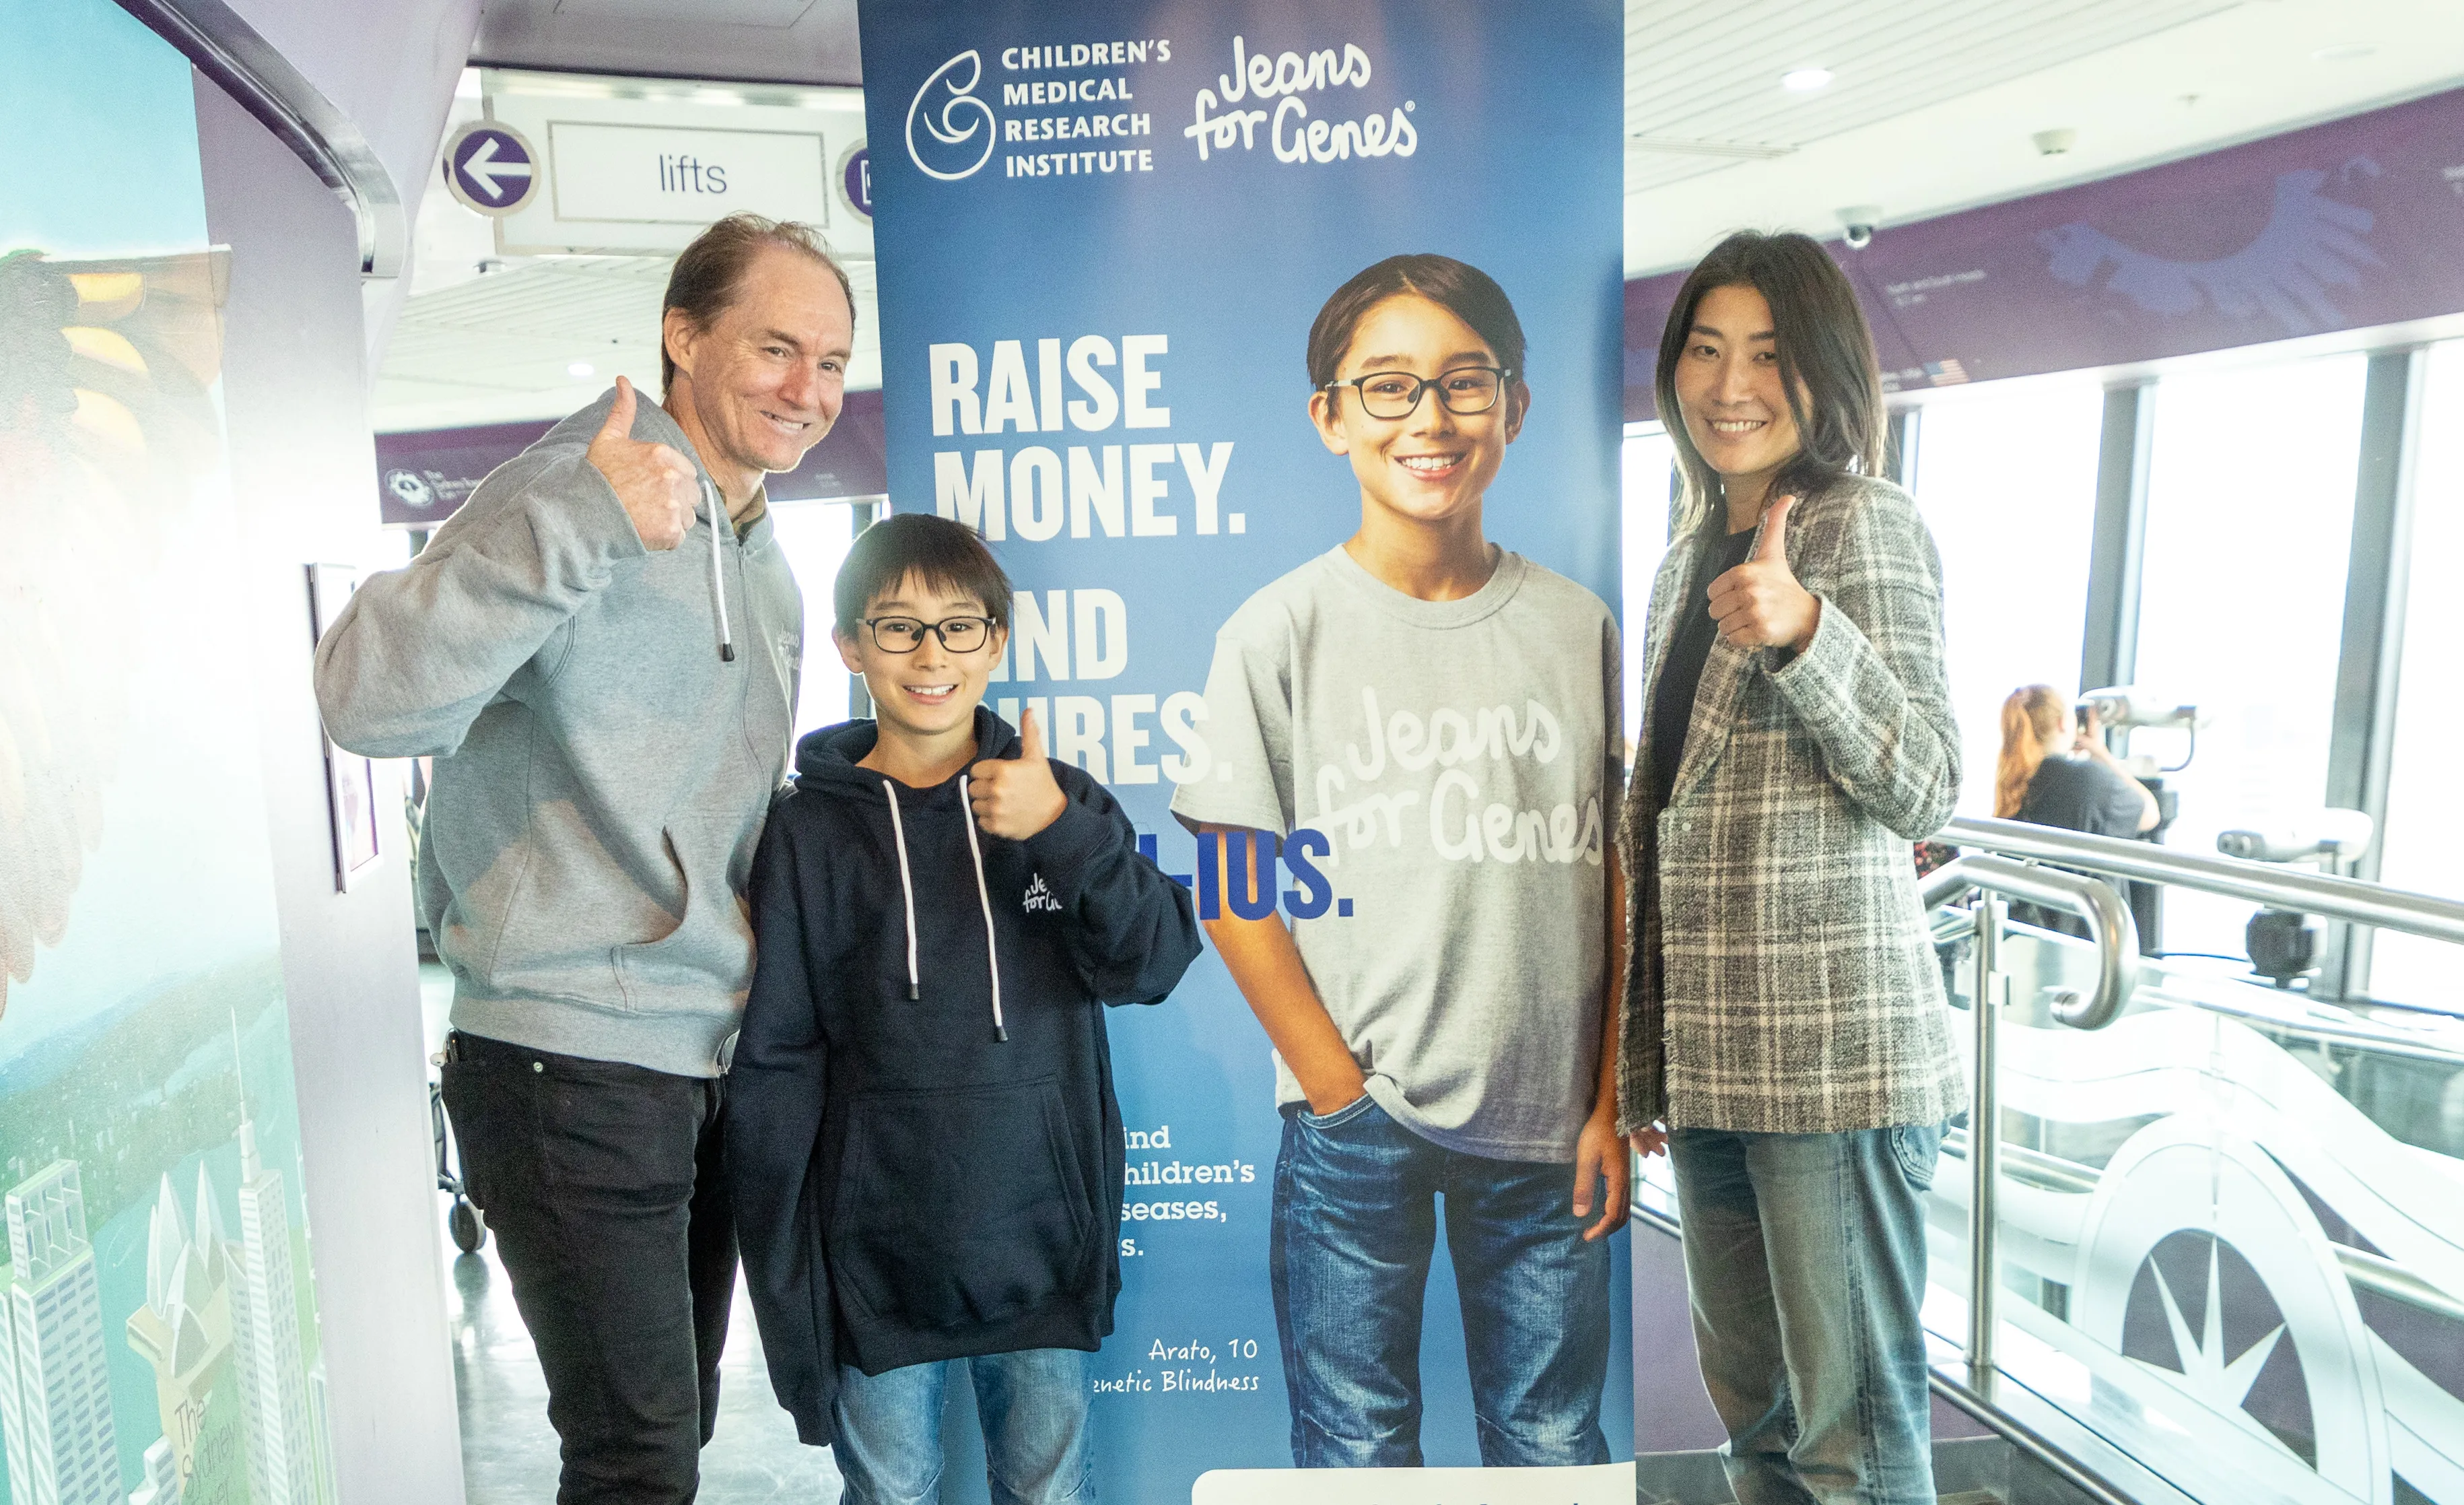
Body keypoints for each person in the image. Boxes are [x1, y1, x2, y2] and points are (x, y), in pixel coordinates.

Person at [314, 213, 853, 1504]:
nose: (809, 391)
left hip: (701, 1058)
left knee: (671, 1436)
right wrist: (578, 529)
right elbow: (362, 701)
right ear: (682, 336)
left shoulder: (762, 557)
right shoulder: (573, 490)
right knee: (636, 1458)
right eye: (776, 349)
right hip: (567, 1060)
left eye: (832, 361)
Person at [1171, 254, 1629, 1468]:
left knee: (1550, 1442)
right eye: (1387, 387)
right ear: (1330, 416)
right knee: (1356, 1449)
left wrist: (1608, 1096)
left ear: (1515, 407)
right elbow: (1230, 884)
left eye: (1463, 383)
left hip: (1547, 1124)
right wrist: (1331, 1085)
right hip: (1353, 1119)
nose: (1429, 418)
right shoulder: (1278, 631)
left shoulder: (1578, 628)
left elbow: (1617, 873)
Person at [728, 514, 1202, 1504]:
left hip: (1038, 1252)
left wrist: (1061, 833)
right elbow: (776, 1063)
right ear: (852, 645)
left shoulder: (1056, 798)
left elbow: (1153, 963)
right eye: (898, 627)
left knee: (1046, 1492)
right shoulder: (808, 829)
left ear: (998, 639)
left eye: (959, 625)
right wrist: (788, 1287)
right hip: (876, 1263)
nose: (930, 653)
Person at [1619, 229, 1963, 1505]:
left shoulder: (1863, 526)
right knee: (1755, 1429)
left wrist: (1811, 633)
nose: (1729, 382)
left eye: (1765, 351)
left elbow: (1926, 782)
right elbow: (1663, 819)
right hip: (1715, 1073)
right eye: (1704, 349)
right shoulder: (1686, 552)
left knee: (1853, 1446)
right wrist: (1645, 1061)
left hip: (1834, 1065)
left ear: (1823, 369)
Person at [1996, 683, 2158, 935]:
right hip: (2086, 943)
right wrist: (2101, 754)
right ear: (2063, 723)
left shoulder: (2014, 782)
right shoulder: (2090, 779)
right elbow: (2150, 813)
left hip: (2026, 941)